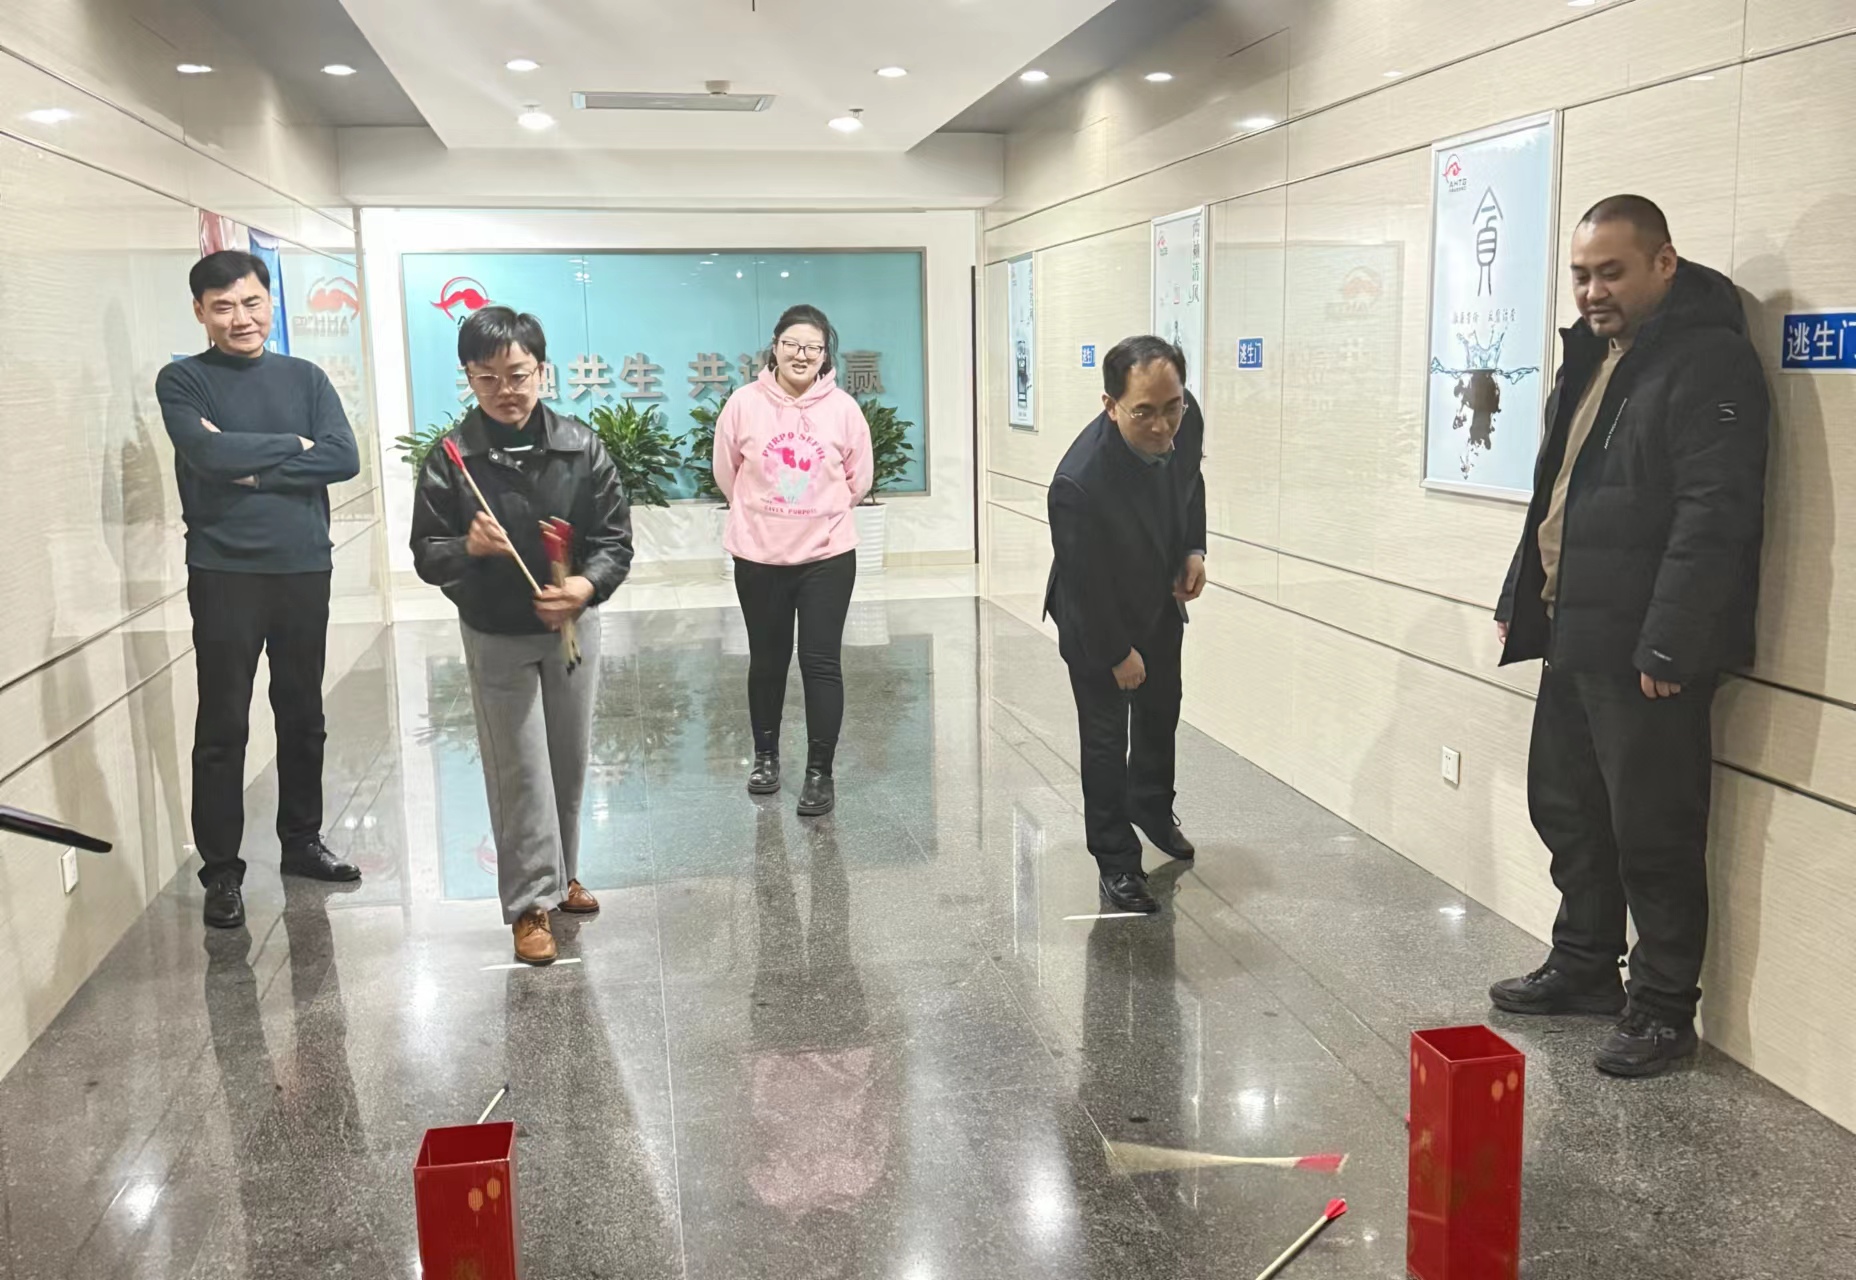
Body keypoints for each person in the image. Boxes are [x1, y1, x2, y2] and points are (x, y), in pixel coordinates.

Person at [1491, 195, 1769, 1078]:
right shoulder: (1592, 355)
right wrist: (1521, 593)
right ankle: (1583, 964)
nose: (1592, 291)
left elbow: (1714, 514)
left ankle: (1661, 1009)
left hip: (1646, 649)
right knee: (1567, 808)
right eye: (1581, 274)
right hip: (1574, 623)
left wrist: (1671, 643)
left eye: (1611, 272)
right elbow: (1558, 490)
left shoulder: (1707, 361)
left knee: (1654, 833)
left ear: (1664, 263)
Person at [410, 308, 633, 965]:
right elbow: (427, 552)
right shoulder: (452, 459)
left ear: (542, 371)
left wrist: (584, 586)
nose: (505, 390)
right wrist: (467, 546)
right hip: (497, 630)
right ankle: (529, 904)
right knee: (520, 768)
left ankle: (562, 876)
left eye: (518, 374)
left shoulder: (581, 447)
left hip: (570, 626)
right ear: (468, 378)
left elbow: (614, 539)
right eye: (487, 378)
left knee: (567, 759)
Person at [156, 250, 362, 930]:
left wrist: (249, 464)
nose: (240, 318)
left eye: (250, 302)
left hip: (303, 565)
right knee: (224, 723)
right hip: (224, 572)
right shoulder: (183, 380)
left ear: (269, 302)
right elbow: (206, 453)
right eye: (223, 307)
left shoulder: (306, 377)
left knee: (303, 712)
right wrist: (295, 448)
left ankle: (302, 842)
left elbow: (343, 456)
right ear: (200, 312)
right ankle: (222, 870)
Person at [1044, 336, 1207, 915]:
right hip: (1097, 616)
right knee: (1107, 738)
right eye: (1144, 412)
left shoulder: (1185, 417)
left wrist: (1192, 548)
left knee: (1162, 710)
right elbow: (1085, 583)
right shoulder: (1078, 482)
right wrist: (1117, 653)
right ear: (1111, 405)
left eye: (1171, 407)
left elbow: (1191, 482)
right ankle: (1115, 860)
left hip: (1156, 597)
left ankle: (1152, 807)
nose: (1162, 425)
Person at [713, 304, 873, 817]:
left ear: (825, 355)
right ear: (775, 347)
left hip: (826, 555)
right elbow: (727, 472)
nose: (802, 355)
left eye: (813, 348)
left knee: (821, 662)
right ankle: (765, 758)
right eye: (792, 344)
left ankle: (819, 773)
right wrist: (766, 514)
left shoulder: (843, 409)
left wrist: (817, 513)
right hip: (759, 555)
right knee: (767, 659)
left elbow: (859, 478)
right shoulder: (743, 403)